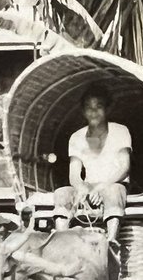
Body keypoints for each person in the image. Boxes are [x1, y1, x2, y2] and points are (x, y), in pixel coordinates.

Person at [53, 88, 131, 242]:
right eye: (89, 107)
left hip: (114, 183)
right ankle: (62, 240)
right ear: (83, 111)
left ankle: (111, 242)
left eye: (99, 106)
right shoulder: (76, 137)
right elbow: (74, 175)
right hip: (89, 187)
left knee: (113, 191)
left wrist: (101, 187)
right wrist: (82, 188)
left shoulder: (120, 131)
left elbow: (124, 167)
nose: (94, 112)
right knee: (62, 193)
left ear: (107, 109)